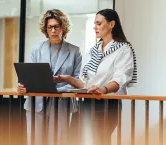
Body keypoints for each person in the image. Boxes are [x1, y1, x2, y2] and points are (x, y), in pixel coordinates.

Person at [54, 9, 137, 145]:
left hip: (107, 104)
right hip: (85, 103)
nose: (95, 27)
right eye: (94, 24)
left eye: (99, 23)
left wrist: (102, 89)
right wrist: (68, 78)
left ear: (111, 24)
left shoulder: (123, 49)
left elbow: (120, 79)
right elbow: (85, 84)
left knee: (99, 141)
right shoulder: (93, 51)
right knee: (74, 140)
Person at [17, 9, 82, 145]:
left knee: (58, 142)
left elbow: (77, 81)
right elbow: (29, 75)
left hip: (61, 104)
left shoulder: (75, 51)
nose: (53, 31)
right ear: (45, 29)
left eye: (56, 26)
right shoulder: (36, 49)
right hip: (36, 104)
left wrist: (56, 89)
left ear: (63, 27)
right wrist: (22, 86)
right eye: (49, 27)